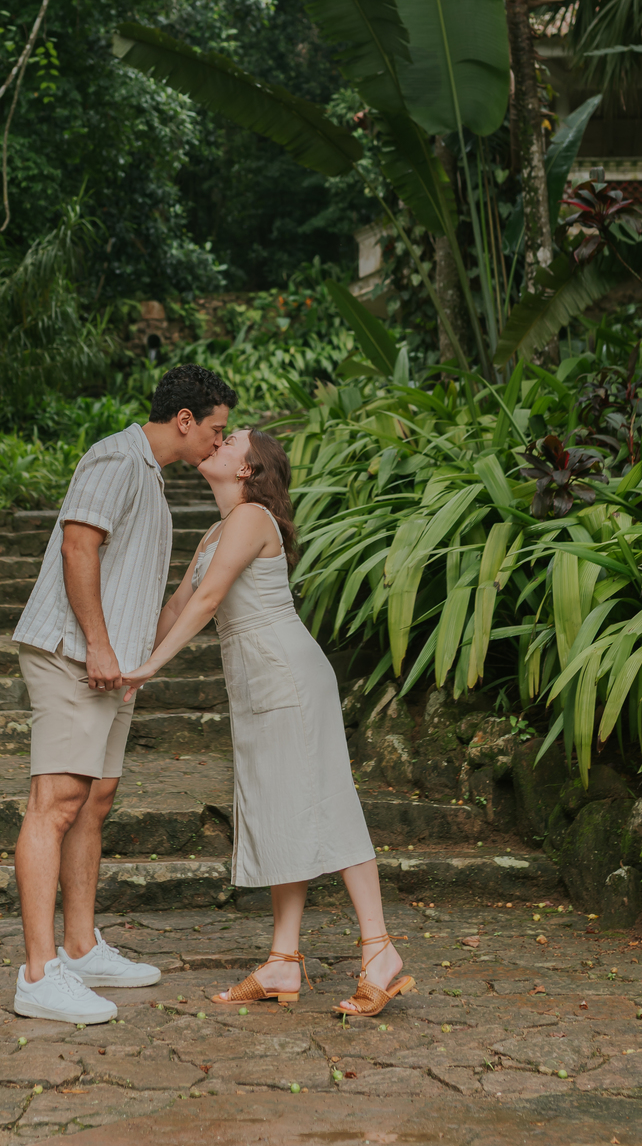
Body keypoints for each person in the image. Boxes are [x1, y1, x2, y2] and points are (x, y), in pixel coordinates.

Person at [122, 426, 414, 1019]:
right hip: (258, 685)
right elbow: (180, 604)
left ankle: (380, 950)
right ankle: (284, 959)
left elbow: (206, 605)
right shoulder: (217, 530)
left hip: (288, 678)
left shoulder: (253, 518)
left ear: (249, 470)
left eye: (231, 442)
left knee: (327, 802)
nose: (218, 443)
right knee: (279, 808)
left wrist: (151, 666)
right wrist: (129, 665)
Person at [10, 362, 237, 1024]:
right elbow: (78, 547)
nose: (219, 446)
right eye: (216, 432)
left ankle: (79, 948)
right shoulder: (115, 457)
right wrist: (102, 646)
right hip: (71, 653)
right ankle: (38, 973)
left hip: (108, 665)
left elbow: (134, 583)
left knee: (95, 799)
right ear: (185, 419)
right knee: (55, 803)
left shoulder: (152, 481)